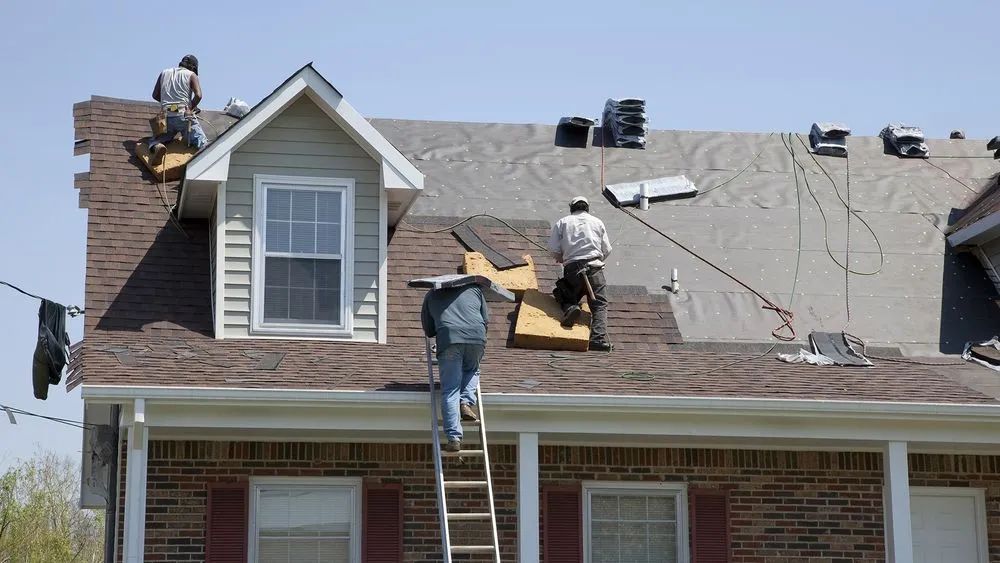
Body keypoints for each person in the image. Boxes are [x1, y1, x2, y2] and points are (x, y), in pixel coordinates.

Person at [421, 283, 489, 452]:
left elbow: (429, 330)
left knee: (451, 390)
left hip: (449, 338)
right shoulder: (474, 289)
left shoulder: (432, 293)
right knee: (472, 369)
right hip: (476, 336)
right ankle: (466, 403)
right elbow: (485, 320)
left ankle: (454, 438)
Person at [548, 196, 613, 352]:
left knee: (564, 295)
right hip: (594, 268)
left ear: (572, 208)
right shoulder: (597, 222)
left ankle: (571, 307)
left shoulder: (562, 222)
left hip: (573, 270)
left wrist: (563, 258)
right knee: (599, 305)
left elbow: (553, 249)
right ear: (587, 208)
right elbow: (607, 250)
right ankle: (597, 339)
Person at [148, 55, 207, 163]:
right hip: (182, 113)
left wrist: (168, 105)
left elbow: (155, 95)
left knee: (157, 139)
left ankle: (156, 146)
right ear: (193, 67)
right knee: (202, 142)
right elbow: (198, 95)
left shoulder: (164, 73)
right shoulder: (191, 75)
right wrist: (190, 107)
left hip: (165, 115)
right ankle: (197, 165)